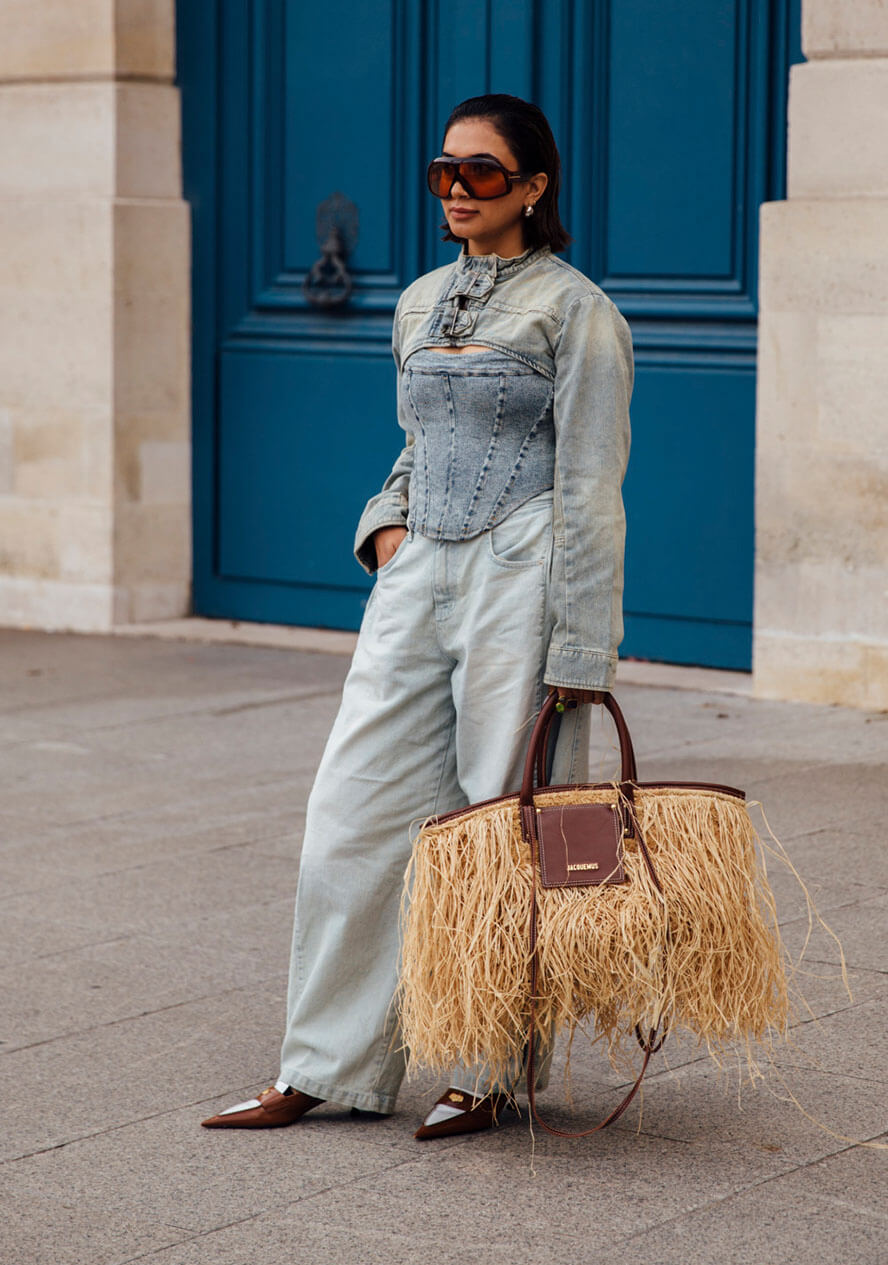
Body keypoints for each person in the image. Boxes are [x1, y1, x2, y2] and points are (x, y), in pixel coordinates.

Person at [201, 93, 634, 1140]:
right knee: (348, 817)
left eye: (481, 173)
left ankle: (490, 1068)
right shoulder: (415, 300)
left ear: (534, 187)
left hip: (522, 573)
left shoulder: (579, 312)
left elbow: (591, 480)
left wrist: (581, 643)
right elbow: (413, 443)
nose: (456, 191)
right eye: (443, 171)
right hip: (417, 574)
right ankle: (329, 1063)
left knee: (500, 822)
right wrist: (386, 532)